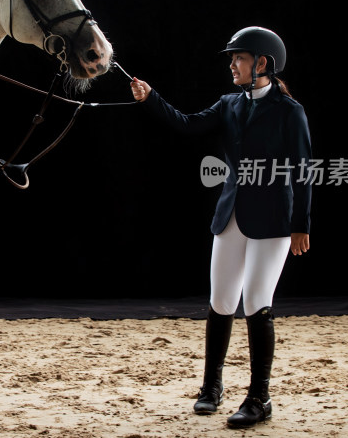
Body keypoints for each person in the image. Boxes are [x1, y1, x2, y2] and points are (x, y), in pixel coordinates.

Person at [129, 26, 311, 428]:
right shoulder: (229, 103)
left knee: (257, 302)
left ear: (261, 63)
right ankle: (211, 387)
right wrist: (151, 99)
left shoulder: (289, 111)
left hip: (274, 222)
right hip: (230, 215)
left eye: (239, 59)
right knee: (221, 301)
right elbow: (188, 123)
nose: (232, 65)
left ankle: (259, 398)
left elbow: (303, 172)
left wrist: (302, 225)